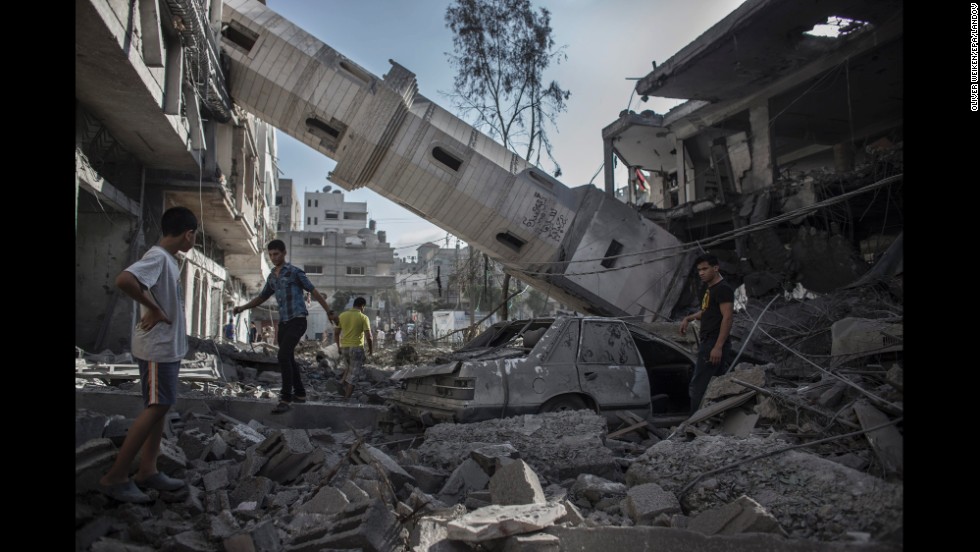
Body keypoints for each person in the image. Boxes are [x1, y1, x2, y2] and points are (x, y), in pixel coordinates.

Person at [98, 206, 197, 503]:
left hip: (166, 349)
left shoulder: (167, 259)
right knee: (155, 407)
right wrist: (153, 308)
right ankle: (115, 476)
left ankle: (148, 470)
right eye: (195, 237)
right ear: (188, 235)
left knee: (160, 406)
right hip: (157, 349)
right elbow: (124, 280)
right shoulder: (157, 257)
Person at [233, 240, 333, 414]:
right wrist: (242, 307)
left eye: (276, 254)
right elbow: (262, 297)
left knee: (283, 355)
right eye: (270, 255)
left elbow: (314, 291)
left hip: (298, 320)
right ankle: (300, 394)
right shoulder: (272, 276)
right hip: (284, 322)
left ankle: (285, 398)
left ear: (284, 253)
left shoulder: (295, 273)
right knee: (288, 357)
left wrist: (329, 312)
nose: (273, 258)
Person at [679, 253, 735, 415]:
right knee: (715, 384)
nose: (701, 273)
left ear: (716, 268)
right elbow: (706, 312)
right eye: (699, 270)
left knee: (698, 385)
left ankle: (693, 423)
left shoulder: (723, 289)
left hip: (714, 342)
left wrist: (717, 346)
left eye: (705, 269)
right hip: (710, 342)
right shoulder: (711, 289)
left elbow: (728, 317)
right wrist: (688, 318)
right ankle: (711, 420)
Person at [334, 297, 374, 399]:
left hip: (344, 348)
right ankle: (346, 398)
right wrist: (371, 350)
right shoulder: (363, 317)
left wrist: (338, 347)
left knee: (349, 367)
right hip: (356, 348)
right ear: (362, 306)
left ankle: (342, 382)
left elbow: (336, 333)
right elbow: (369, 337)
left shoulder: (342, 315)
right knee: (354, 375)